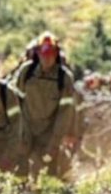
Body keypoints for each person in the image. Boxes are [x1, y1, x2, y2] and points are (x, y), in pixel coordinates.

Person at [10, 31, 80, 180]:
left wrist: (54, 143)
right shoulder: (26, 72)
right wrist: (17, 132)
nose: (47, 58)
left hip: (49, 132)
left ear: (56, 54)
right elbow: (16, 103)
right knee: (20, 171)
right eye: (43, 54)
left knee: (49, 172)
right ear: (37, 54)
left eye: (50, 54)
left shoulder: (64, 78)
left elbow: (65, 113)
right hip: (26, 129)